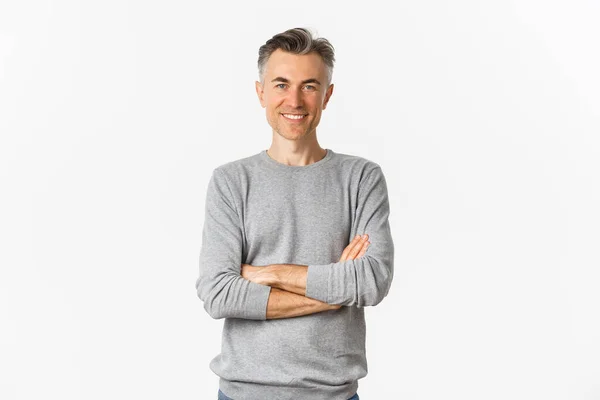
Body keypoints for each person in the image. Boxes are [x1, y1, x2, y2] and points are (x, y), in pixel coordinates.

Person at [195, 27, 394, 400]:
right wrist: (334, 292)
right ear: (261, 93)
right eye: (282, 84)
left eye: (309, 86)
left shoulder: (361, 178)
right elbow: (219, 293)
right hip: (243, 393)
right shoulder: (231, 182)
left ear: (327, 95)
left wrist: (269, 273)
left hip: (334, 393)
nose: (295, 100)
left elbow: (372, 281)